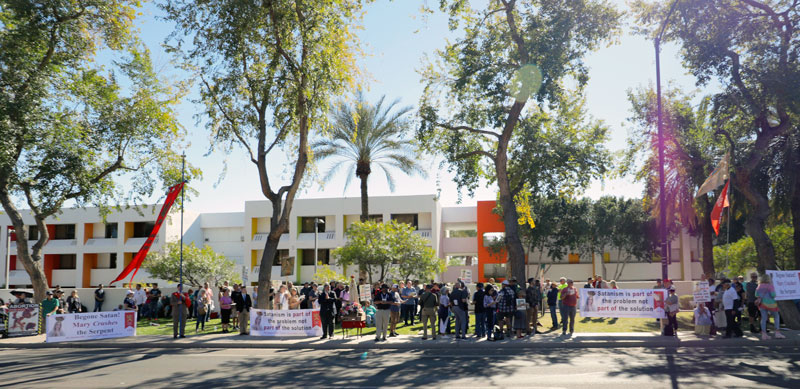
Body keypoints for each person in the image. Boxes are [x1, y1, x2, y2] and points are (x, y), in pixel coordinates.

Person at [756, 274, 785, 340]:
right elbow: (773, 295)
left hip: (762, 304)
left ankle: (764, 334)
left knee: (763, 318)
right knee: (776, 317)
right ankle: (777, 333)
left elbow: (756, 295)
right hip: (771, 304)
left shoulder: (759, 286)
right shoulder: (770, 286)